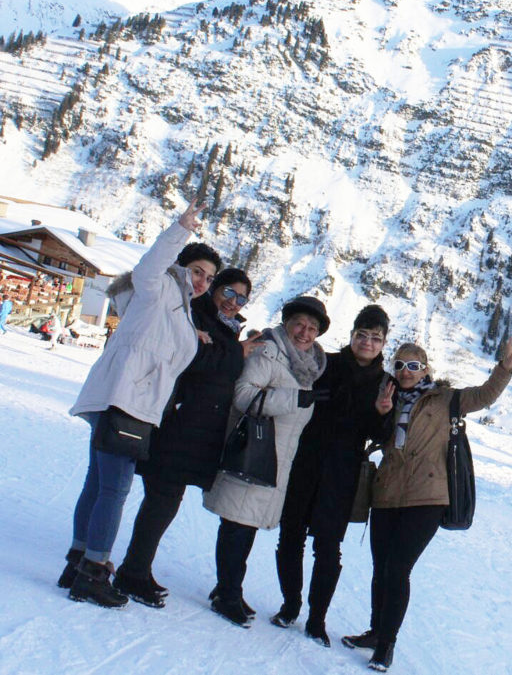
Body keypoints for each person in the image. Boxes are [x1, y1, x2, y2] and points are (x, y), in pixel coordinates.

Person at [59, 200, 220, 608]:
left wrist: (195, 337)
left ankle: (77, 561)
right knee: (115, 488)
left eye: (209, 277)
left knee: (97, 483)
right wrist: (180, 229)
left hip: (124, 399)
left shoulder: (181, 309)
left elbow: (163, 342)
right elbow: (150, 266)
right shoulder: (159, 284)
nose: (202, 281)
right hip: (126, 400)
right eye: (197, 271)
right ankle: (94, 572)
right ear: (182, 266)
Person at [342, 337, 512, 672]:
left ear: (426, 369)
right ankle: (375, 631)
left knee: (398, 569)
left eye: (414, 366)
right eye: (400, 365)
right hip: (386, 493)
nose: (406, 371)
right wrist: (379, 411)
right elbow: (368, 432)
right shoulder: (386, 396)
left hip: (427, 496)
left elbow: (484, 395)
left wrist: (505, 367)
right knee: (381, 569)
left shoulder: (446, 399)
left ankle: (386, 645)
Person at [113, 268, 262, 607]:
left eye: (241, 298)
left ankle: (137, 567)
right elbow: (193, 358)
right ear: (215, 290)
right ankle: (131, 572)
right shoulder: (195, 316)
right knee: (161, 501)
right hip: (179, 425)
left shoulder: (223, 326)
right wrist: (236, 354)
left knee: (165, 502)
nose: (232, 302)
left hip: (195, 429)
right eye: (228, 292)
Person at [202, 295, 329, 628]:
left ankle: (228, 588)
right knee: (237, 526)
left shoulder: (307, 367)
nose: (305, 332)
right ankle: (227, 593)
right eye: (300, 323)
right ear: (287, 323)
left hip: (273, 459)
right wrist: (293, 398)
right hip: (252, 452)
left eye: (312, 327)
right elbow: (243, 395)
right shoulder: (269, 352)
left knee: (244, 527)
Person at [271, 304, 391, 647]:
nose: (367, 342)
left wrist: (382, 415)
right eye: (362, 335)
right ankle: (290, 604)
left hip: (343, 472)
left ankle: (316, 618)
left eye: (375, 337)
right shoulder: (327, 364)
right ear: (352, 336)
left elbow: (380, 437)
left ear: (383, 343)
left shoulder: (385, 383)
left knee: (328, 547)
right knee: (290, 536)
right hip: (305, 461)